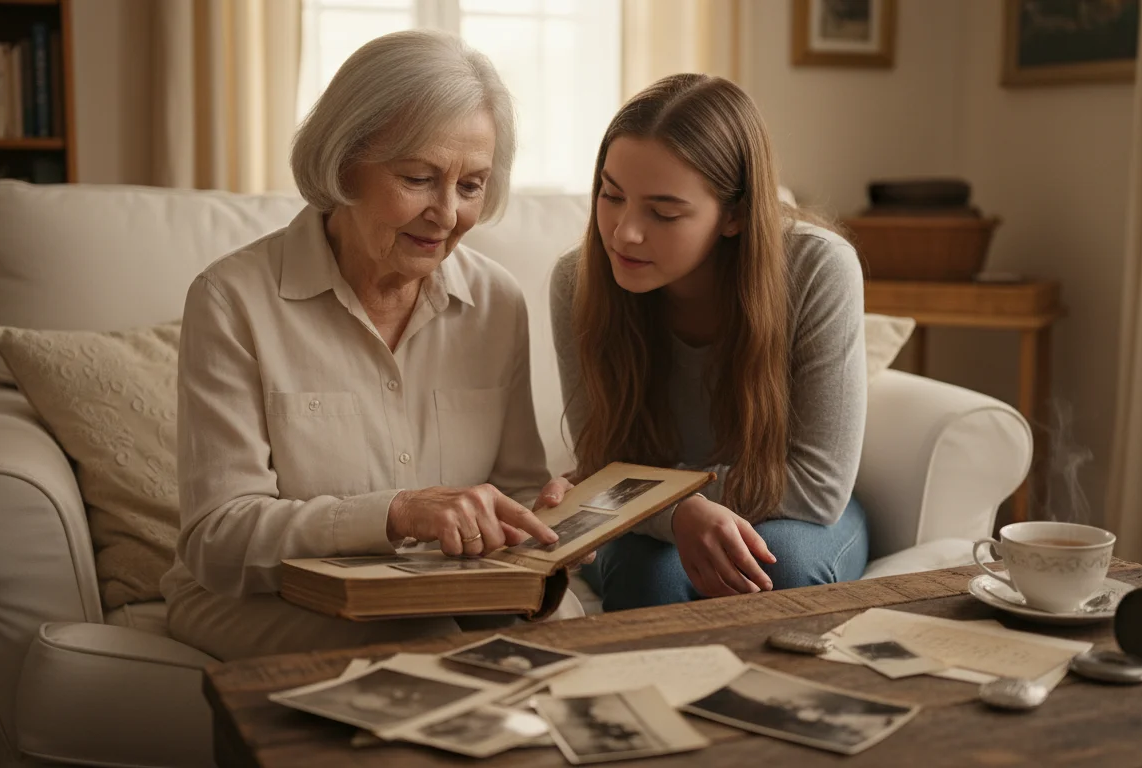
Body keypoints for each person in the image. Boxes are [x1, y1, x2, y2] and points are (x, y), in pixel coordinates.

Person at [161, 30, 579, 661]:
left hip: (447, 590)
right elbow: (218, 539)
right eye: (419, 178)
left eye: (472, 186)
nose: (446, 213)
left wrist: (546, 522)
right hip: (263, 598)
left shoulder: (496, 302)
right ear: (342, 161)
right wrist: (398, 513)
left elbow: (515, 490)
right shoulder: (231, 299)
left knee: (577, 641)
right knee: (427, 651)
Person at [549, 73, 870, 612]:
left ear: (736, 214)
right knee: (645, 578)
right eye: (611, 194)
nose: (624, 232)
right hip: (645, 520)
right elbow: (601, 466)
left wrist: (671, 497)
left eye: (663, 212)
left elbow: (816, 487)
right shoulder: (579, 280)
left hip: (793, 516)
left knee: (777, 566)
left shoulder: (818, 268)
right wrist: (676, 513)